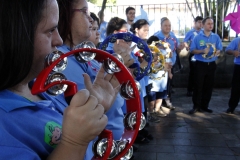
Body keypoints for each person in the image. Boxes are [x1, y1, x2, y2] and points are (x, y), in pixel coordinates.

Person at [0, 0, 118, 159]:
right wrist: (73, 143)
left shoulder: (40, 87)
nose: (59, 40)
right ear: (13, 35)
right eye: (50, 30)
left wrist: (93, 108)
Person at [57, 1, 134, 159]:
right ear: (64, 16)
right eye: (84, 12)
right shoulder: (62, 61)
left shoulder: (86, 55)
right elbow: (87, 111)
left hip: (109, 145)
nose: (91, 19)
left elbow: (108, 90)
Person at [188, 17, 222, 114]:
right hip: (200, 64)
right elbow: (192, 50)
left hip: (211, 64)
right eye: (208, 23)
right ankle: (196, 106)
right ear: (203, 25)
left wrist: (217, 52)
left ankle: (205, 106)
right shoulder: (197, 37)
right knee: (198, 85)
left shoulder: (216, 37)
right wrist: (202, 51)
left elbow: (219, 49)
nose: (211, 25)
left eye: (212, 23)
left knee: (209, 86)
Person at [154, 17, 184, 110]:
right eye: (166, 25)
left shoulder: (173, 36)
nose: (168, 27)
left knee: (169, 84)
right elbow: (153, 50)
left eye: (169, 25)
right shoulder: (156, 36)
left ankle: (167, 100)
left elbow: (177, 50)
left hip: (172, 63)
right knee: (159, 84)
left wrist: (180, 47)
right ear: (161, 26)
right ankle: (158, 103)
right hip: (160, 65)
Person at [184, 16, 203, 97]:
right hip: (194, 54)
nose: (201, 24)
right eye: (199, 22)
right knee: (193, 72)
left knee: (201, 72)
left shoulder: (203, 32)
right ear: (195, 23)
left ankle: (199, 89)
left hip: (202, 54)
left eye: (202, 22)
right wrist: (187, 46)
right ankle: (190, 89)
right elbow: (185, 41)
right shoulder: (191, 32)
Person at [225, 37, 240, 114]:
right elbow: (227, 50)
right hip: (238, 66)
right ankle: (232, 106)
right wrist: (234, 52)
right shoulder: (237, 40)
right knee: (236, 87)